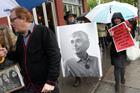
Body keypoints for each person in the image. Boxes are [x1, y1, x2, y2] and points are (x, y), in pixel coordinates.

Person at [0, 7, 61, 93]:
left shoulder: (43, 31)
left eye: (12, 20)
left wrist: (50, 82)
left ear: (23, 18)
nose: (11, 23)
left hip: (45, 87)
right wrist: (6, 53)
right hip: (30, 87)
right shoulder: (20, 38)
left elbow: (55, 57)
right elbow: (18, 56)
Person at [109, 12, 129, 92]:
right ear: (113, 20)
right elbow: (108, 40)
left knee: (122, 66)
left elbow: (131, 37)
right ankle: (117, 83)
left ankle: (122, 78)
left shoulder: (125, 27)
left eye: (118, 18)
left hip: (123, 50)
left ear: (121, 19)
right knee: (117, 68)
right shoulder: (111, 29)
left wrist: (129, 31)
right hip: (115, 52)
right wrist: (110, 36)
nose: (116, 20)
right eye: (115, 18)